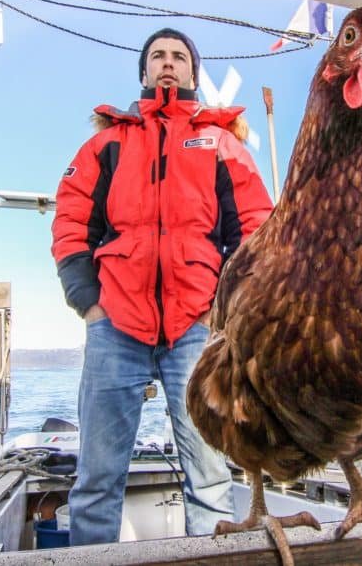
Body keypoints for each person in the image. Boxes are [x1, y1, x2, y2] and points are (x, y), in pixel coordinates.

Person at [51, 28, 273, 545]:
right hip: (114, 328)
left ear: (193, 72)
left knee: (211, 478)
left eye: (178, 56)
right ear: (144, 72)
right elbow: (70, 223)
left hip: (196, 330)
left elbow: (256, 233)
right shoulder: (108, 141)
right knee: (97, 480)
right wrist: (89, 305)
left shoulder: (221, 143)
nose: (168, 63)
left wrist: (219, 311)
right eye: (157, 56)